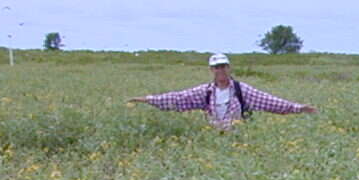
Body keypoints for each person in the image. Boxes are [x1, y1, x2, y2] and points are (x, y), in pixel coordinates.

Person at [128, 53, 318, 131]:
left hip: (238, 139)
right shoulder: (206, 92)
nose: (221, 70)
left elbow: (270, 102)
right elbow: (178, 99)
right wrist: (147, 99)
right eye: (217, 67)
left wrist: (298, 108)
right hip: (213, 137)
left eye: (224, 66)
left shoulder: (241, 90)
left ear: (229, 68)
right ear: (211, 70)